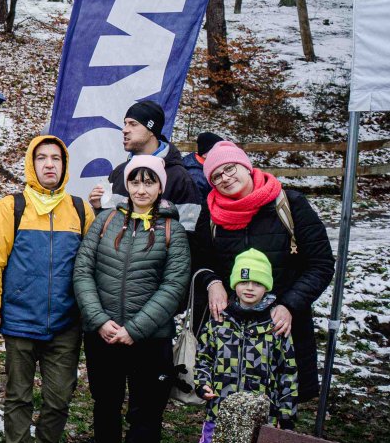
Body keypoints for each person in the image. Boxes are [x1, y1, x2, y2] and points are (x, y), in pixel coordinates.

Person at [71, 156, 191, 443]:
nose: (141, 189)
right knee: (105, 401)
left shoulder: (174, 231)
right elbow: (83, 271)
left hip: (149, 339)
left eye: (149, 182)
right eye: (134, 182)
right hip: (103, 333)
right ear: (126, 184)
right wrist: (99, 319)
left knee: (145, 410)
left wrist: (135, 329)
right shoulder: (105, 221)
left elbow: (174, 286)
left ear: (160, 187)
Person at [0, 135, 94, 443]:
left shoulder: (79, 209)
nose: (48, 164)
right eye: (41, 158)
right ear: (31, 163)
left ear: (64, 165)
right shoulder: (10, 207)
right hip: (20, 319)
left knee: (60, 396)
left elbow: (90, 266)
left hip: (65, 321)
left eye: (55, 159)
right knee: (19, 395)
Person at [191, 141, 333, 404]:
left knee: (277, 409)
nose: (225, 178)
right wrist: (212, 282)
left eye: (230, 168)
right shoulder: (210, 214)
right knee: (228, 406)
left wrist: (290, 304)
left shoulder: (289, 205)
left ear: (246, 166)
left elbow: (321, 264)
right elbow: (198, 260)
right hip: (231, 334)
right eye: (216, 176)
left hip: (280, 328)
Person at [183, 249, 297, 443]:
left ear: (267, 286)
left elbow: (288, 373)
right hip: (220, 408)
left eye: (257, 282)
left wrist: (286, 416)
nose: (250, 288)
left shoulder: (275, 326)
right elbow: (204, 357)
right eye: (244, 281)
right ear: (235, 284)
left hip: (260, 414)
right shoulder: (219, 321)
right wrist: (202, 382)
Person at [87, 100, 204, 230]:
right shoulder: (119, 172)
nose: (125, 130)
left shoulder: (181, 179)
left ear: (151, 129)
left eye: (133, 124)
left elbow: (189, 237)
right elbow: (108, 227)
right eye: (125, 124)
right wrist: (99, 208)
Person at [182, 131, 223, 199]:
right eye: (217, 150)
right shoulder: (196, 177)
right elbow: (196, 206)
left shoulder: (200, 165)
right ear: (204, 154)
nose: (220, 153)